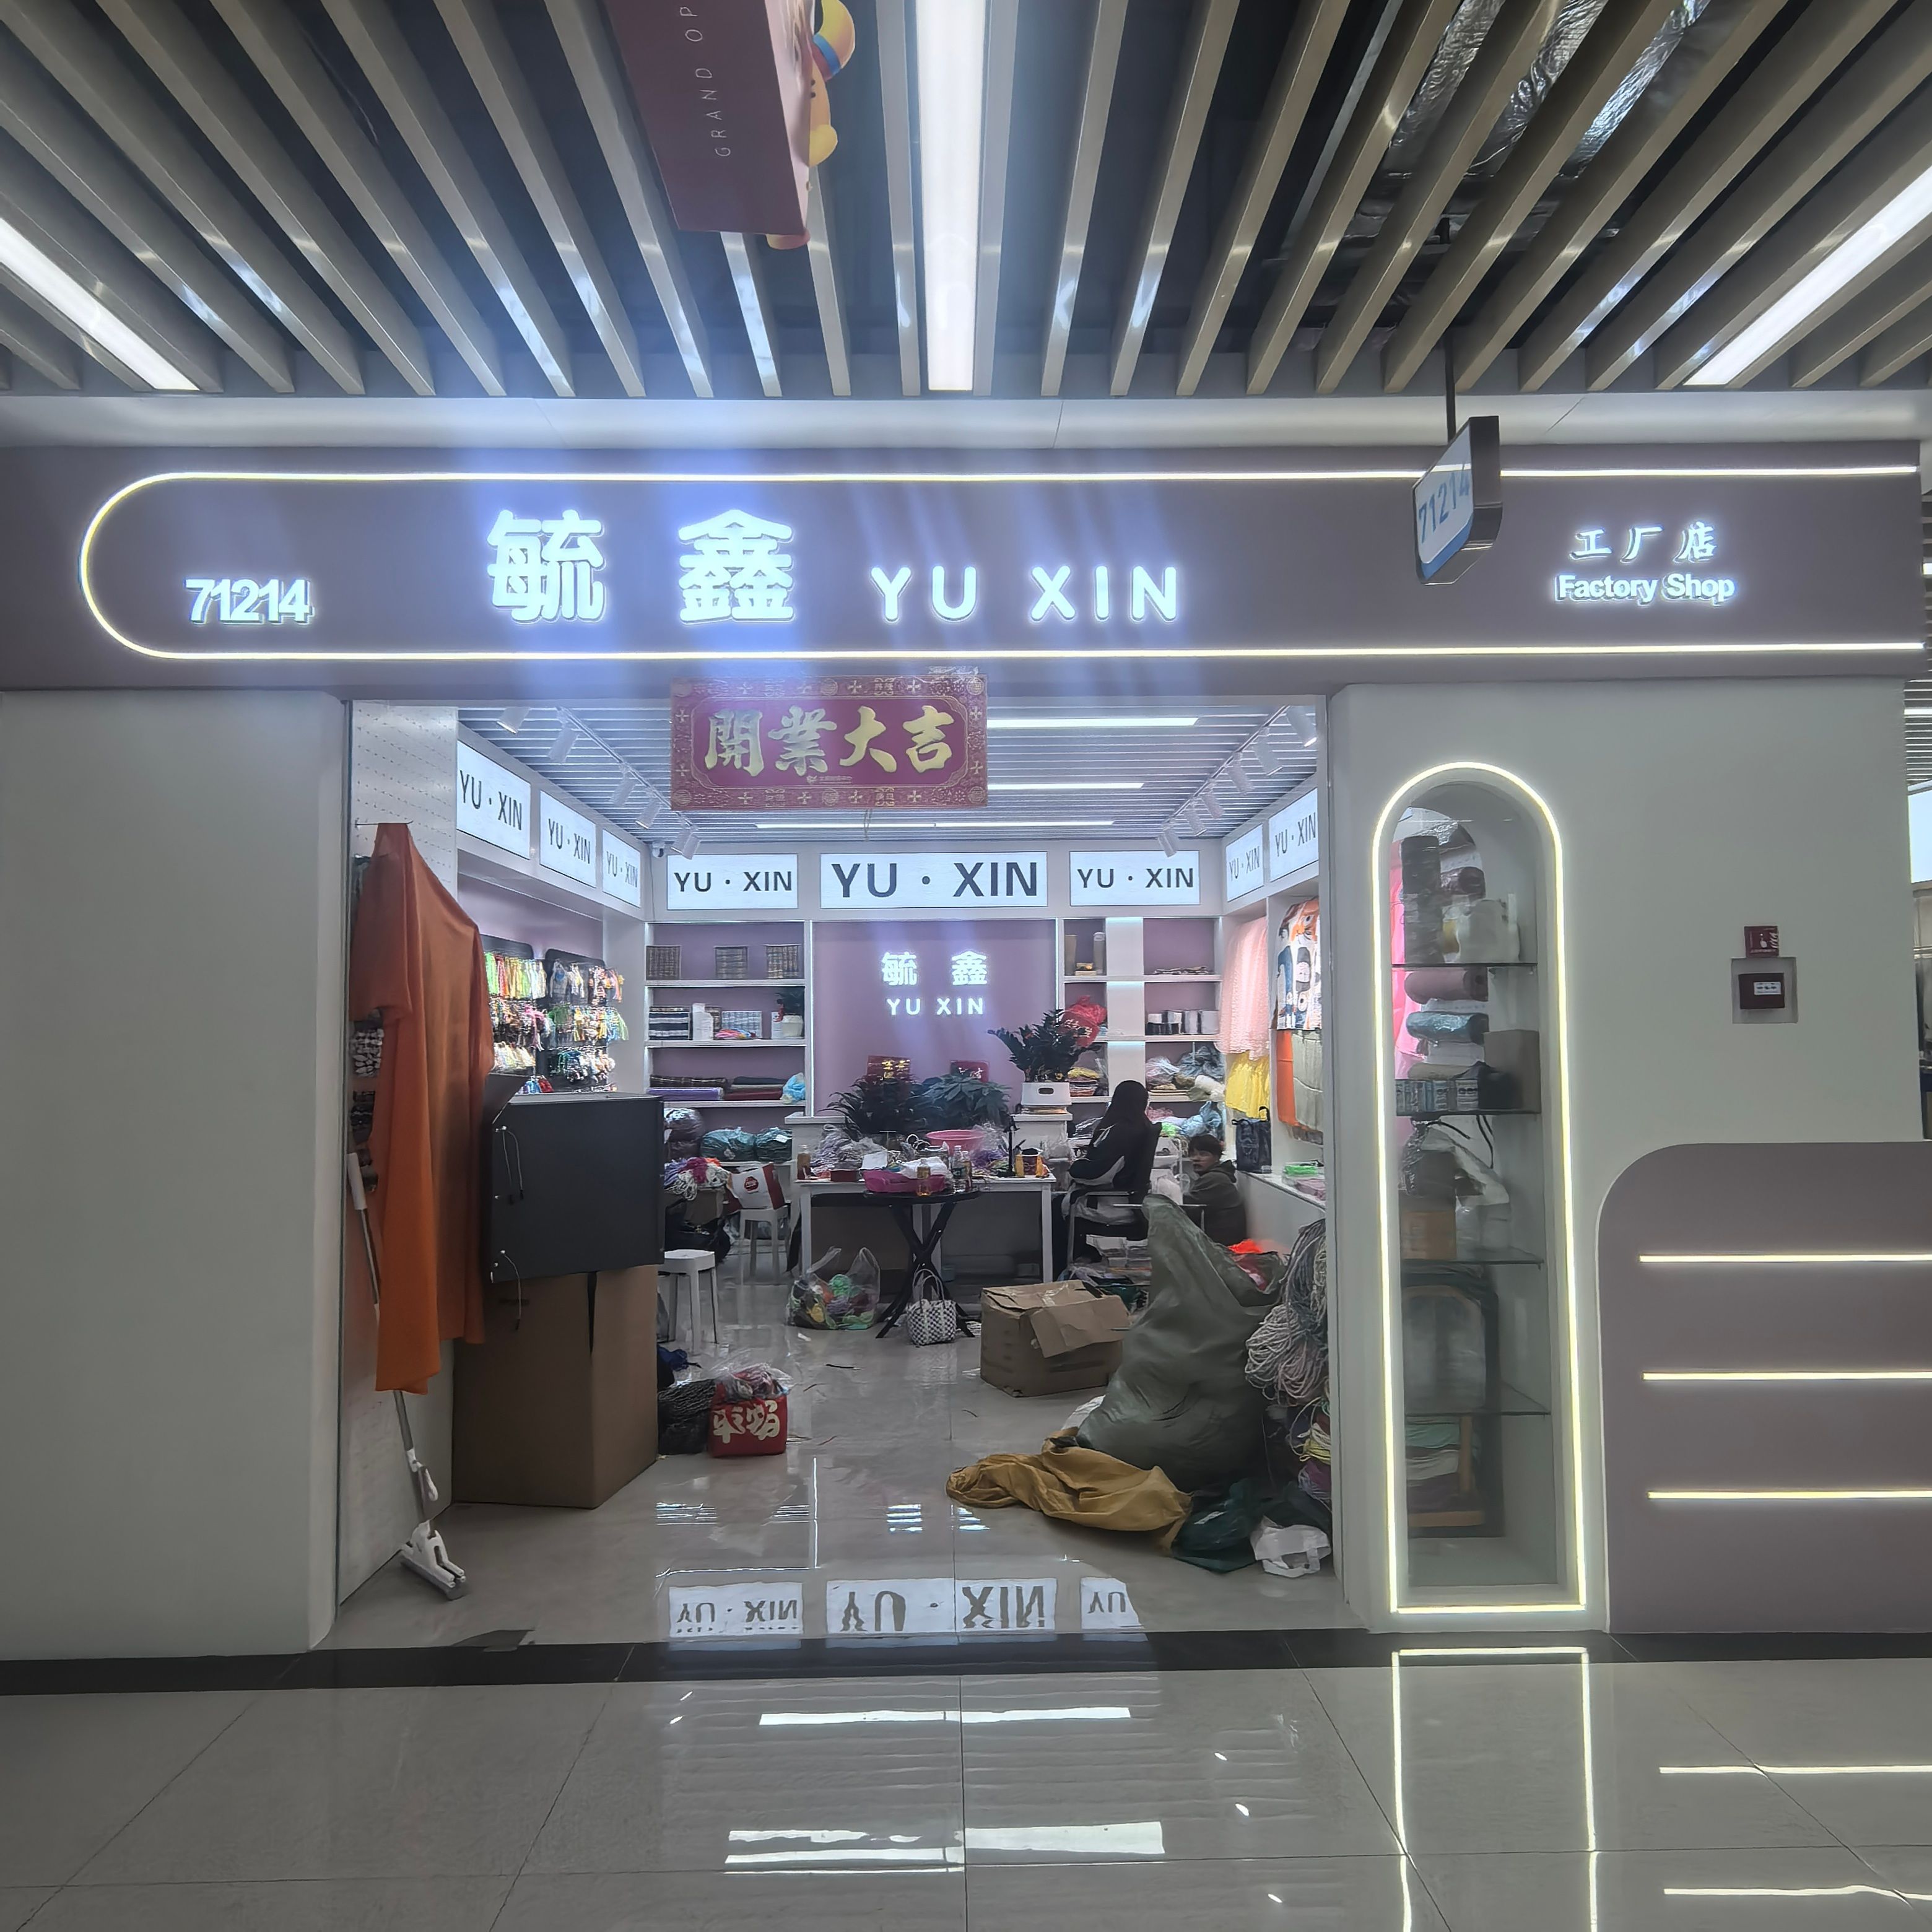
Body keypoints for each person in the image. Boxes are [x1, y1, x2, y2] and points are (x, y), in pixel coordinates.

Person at [1053, 1080, 1158, 1273]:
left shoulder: (1122, 1132)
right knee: (1057, 1203)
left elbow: (1098, 1175)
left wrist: (1073, 1166)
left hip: (1110, 1203)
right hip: (1130, 1201)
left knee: (1053, 1208)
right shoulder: (1140, 1126)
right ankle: (1084, 1255)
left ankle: (1059, 1269)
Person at [1183, 1132, 1247, 1246]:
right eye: (1193, 1154)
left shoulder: (1215, 1179)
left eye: (1203, 1154)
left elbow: (1184, 1204)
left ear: (1217, 1157)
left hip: (1221, 1246)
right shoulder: (1215, 1176)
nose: (1196, 1159)